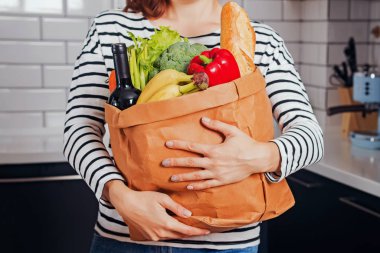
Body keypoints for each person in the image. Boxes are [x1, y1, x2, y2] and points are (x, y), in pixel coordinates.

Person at [63, 0, 324, 252]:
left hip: (226, 246)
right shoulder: (110, 29)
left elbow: (311, 137)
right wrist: (119, 195)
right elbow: (78, 130)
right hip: (125, 237)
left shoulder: (263, 41)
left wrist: (255, 158)